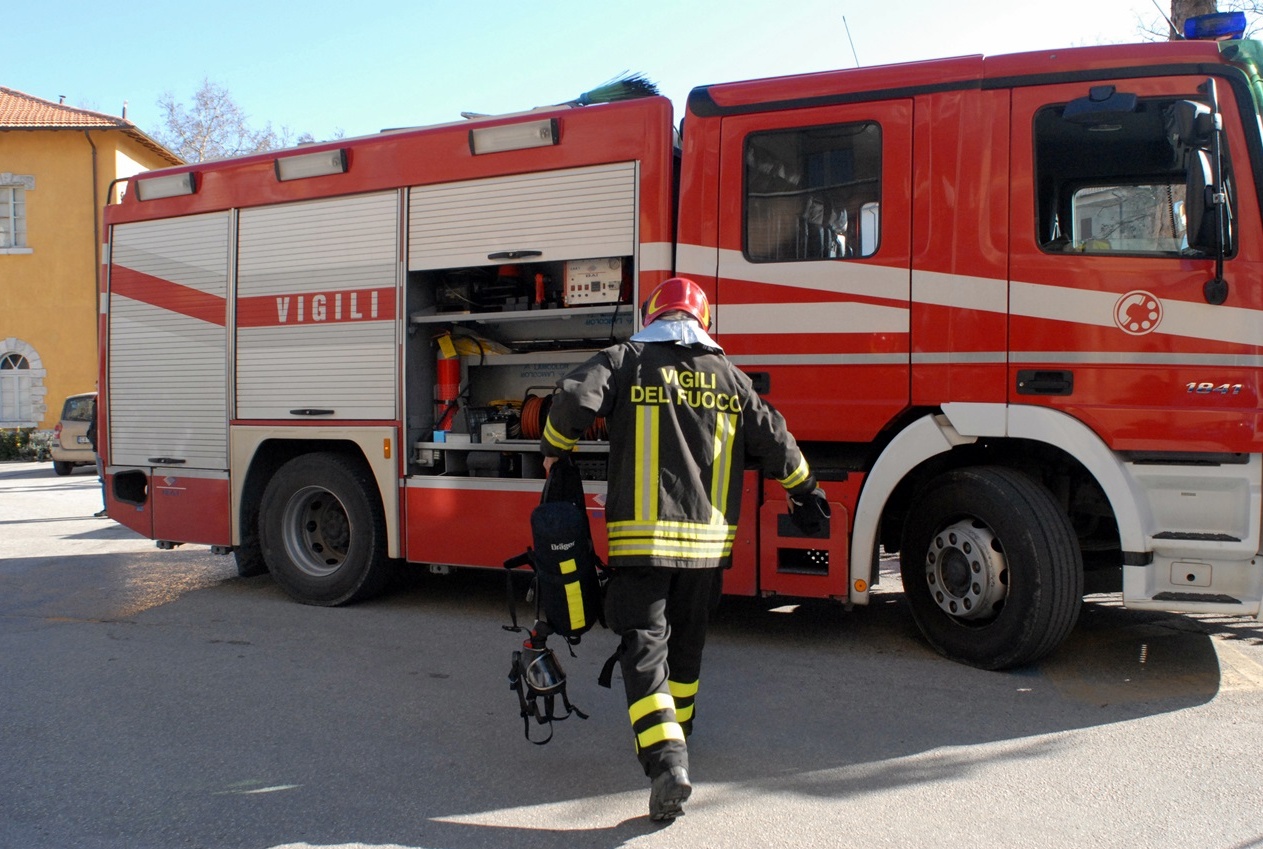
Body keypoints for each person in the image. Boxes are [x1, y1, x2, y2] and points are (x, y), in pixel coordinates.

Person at [539, 277, 828, 821]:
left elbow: (575, 398)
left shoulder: (626, 358)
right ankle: (680, 733)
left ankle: (667, 759)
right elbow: (777, 439)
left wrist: (554, 451)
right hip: (706, 551)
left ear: (652, 315)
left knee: (644, 644)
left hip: (643, 543)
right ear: (703, 322)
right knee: (687, 648)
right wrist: (806, 492)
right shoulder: (732, 378)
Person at [87, 397, 107, 518]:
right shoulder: (99, 399)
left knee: (104, 478)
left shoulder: (100, 399)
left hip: (102, 447)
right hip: (100, 445)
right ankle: (108, 508)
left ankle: (108, 508)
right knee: (104, 478)